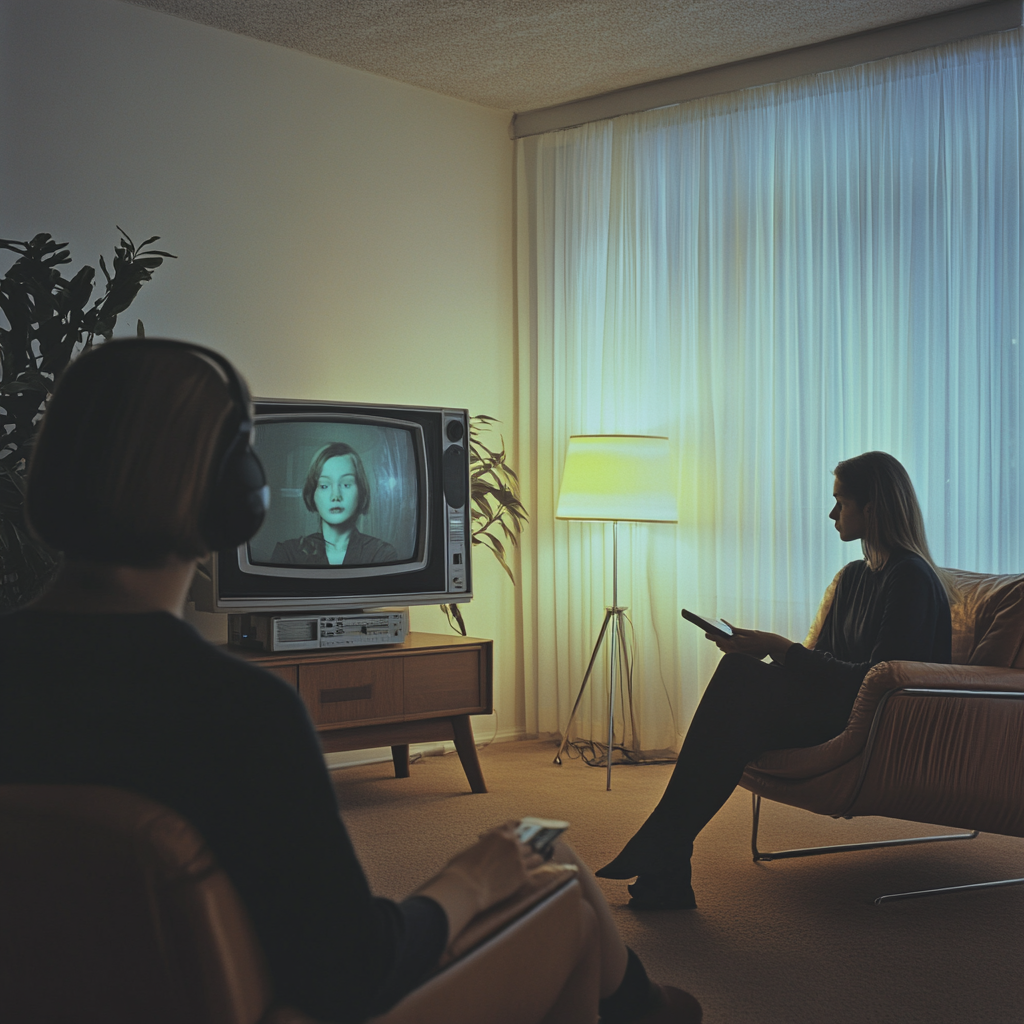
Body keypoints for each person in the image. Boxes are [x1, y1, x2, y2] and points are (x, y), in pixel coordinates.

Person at [0, 339, 701, 1024]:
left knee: (542, 868)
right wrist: (468, 882)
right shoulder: (241, 710)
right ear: (233, 497)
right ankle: (643, 1006)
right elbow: (353, 973)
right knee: (558, 888)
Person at [596, 451, 953, 910]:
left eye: (840, 502)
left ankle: (667, 854)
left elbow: (876, 680)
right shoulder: (852, 577)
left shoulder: (911, 579)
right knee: (740, 673)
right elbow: (824, 662)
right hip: (838, 708)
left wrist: (780, 648)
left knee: (740, 686)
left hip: (880, 723)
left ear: (873, 508)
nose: (831, 513)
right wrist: (766, 651)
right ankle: (669, 856)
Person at [271, 443, 398, 565]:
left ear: (360, 491)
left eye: (346, 484)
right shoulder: (287, 553)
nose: (335, 496)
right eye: (324, 486)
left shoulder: (381, 554)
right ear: (313, 493)